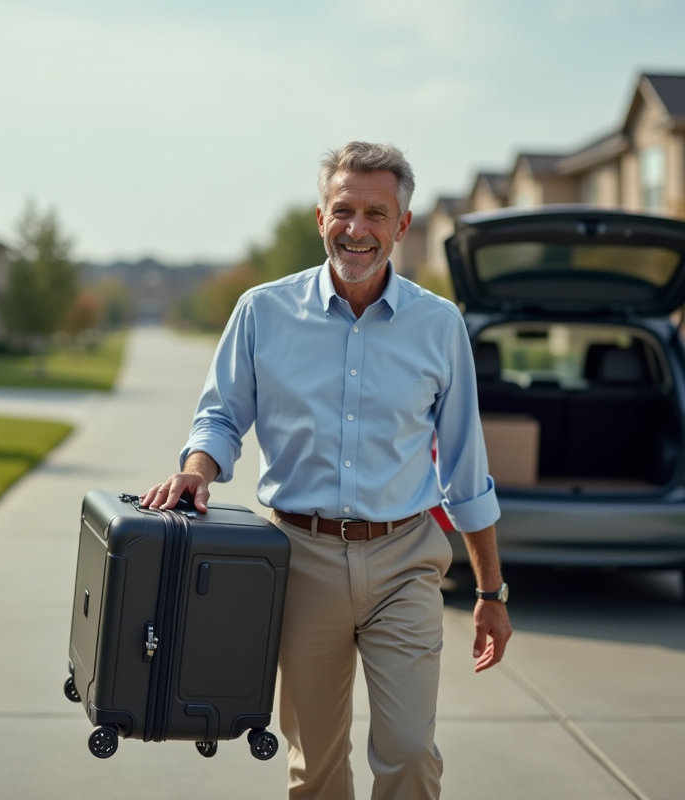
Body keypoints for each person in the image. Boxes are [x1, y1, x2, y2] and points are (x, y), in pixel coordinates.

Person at [141, 141, 511, 799]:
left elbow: (464, 470)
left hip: (405, 561)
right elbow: (221, 419)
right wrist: (197, 470)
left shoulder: (439, 325)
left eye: (377, 213)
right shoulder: (263, 311)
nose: (357, 229)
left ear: (402, 225)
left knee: (409, 755)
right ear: (321, 218)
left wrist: (490, 594)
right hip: (300, 559)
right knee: (316, 768)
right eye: (344, 210)